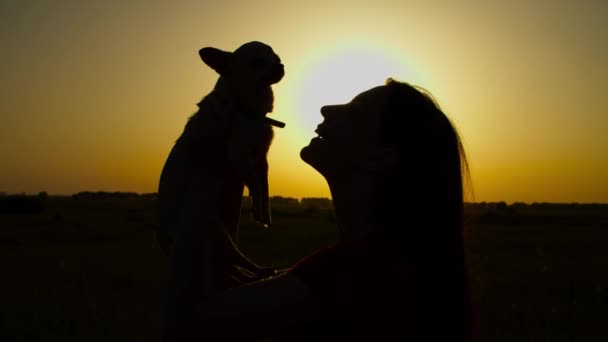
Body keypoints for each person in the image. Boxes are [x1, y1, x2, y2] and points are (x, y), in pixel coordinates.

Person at [193, 78, 474, 341]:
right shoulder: (393, 261)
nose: (326, 109)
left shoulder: (355, 272)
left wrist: (205, 166)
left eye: (355, 110)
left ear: (378, 158)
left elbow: (186, 326)